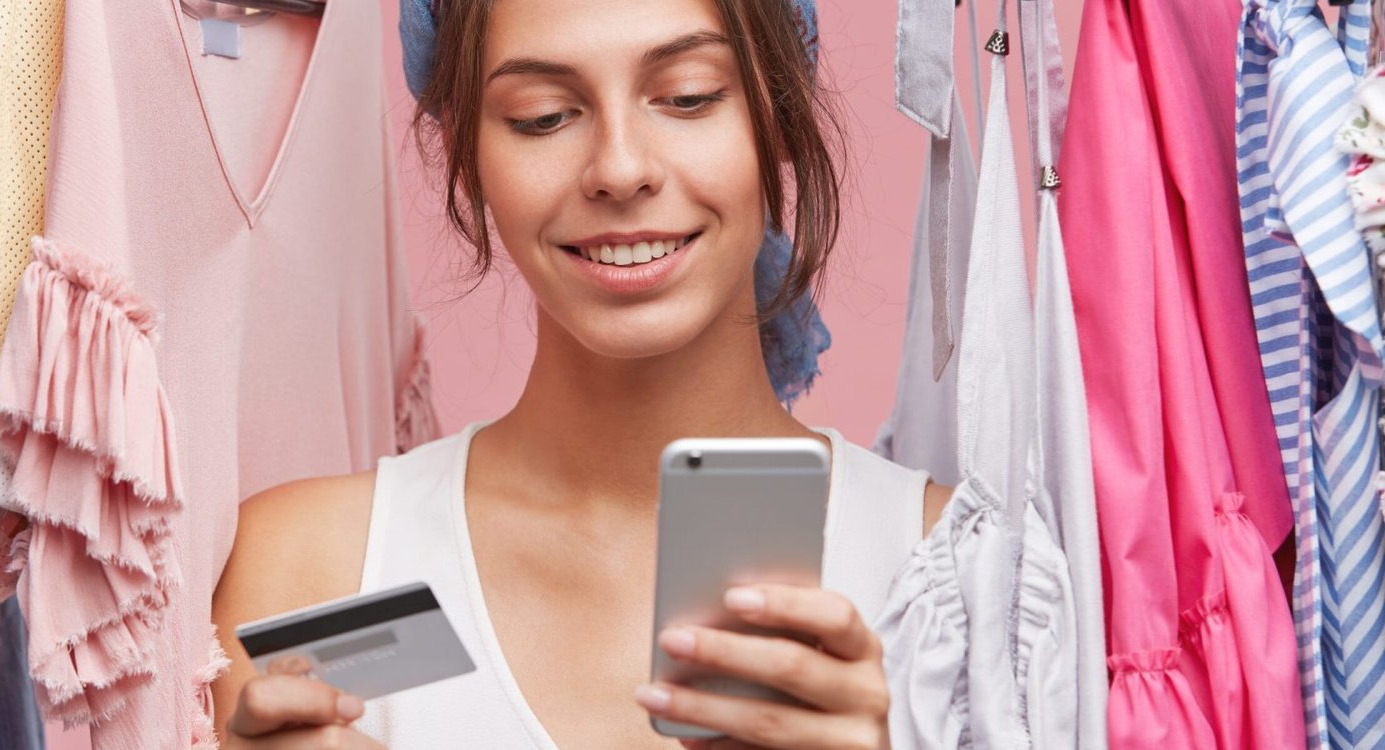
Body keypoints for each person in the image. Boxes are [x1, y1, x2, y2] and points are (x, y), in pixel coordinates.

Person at [210, 0, 950, 747]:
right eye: (543, 116)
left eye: (688, 96)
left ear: (780, 116)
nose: (620, 170)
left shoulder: (954, 576)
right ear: (467, 156)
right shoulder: (309, 570)